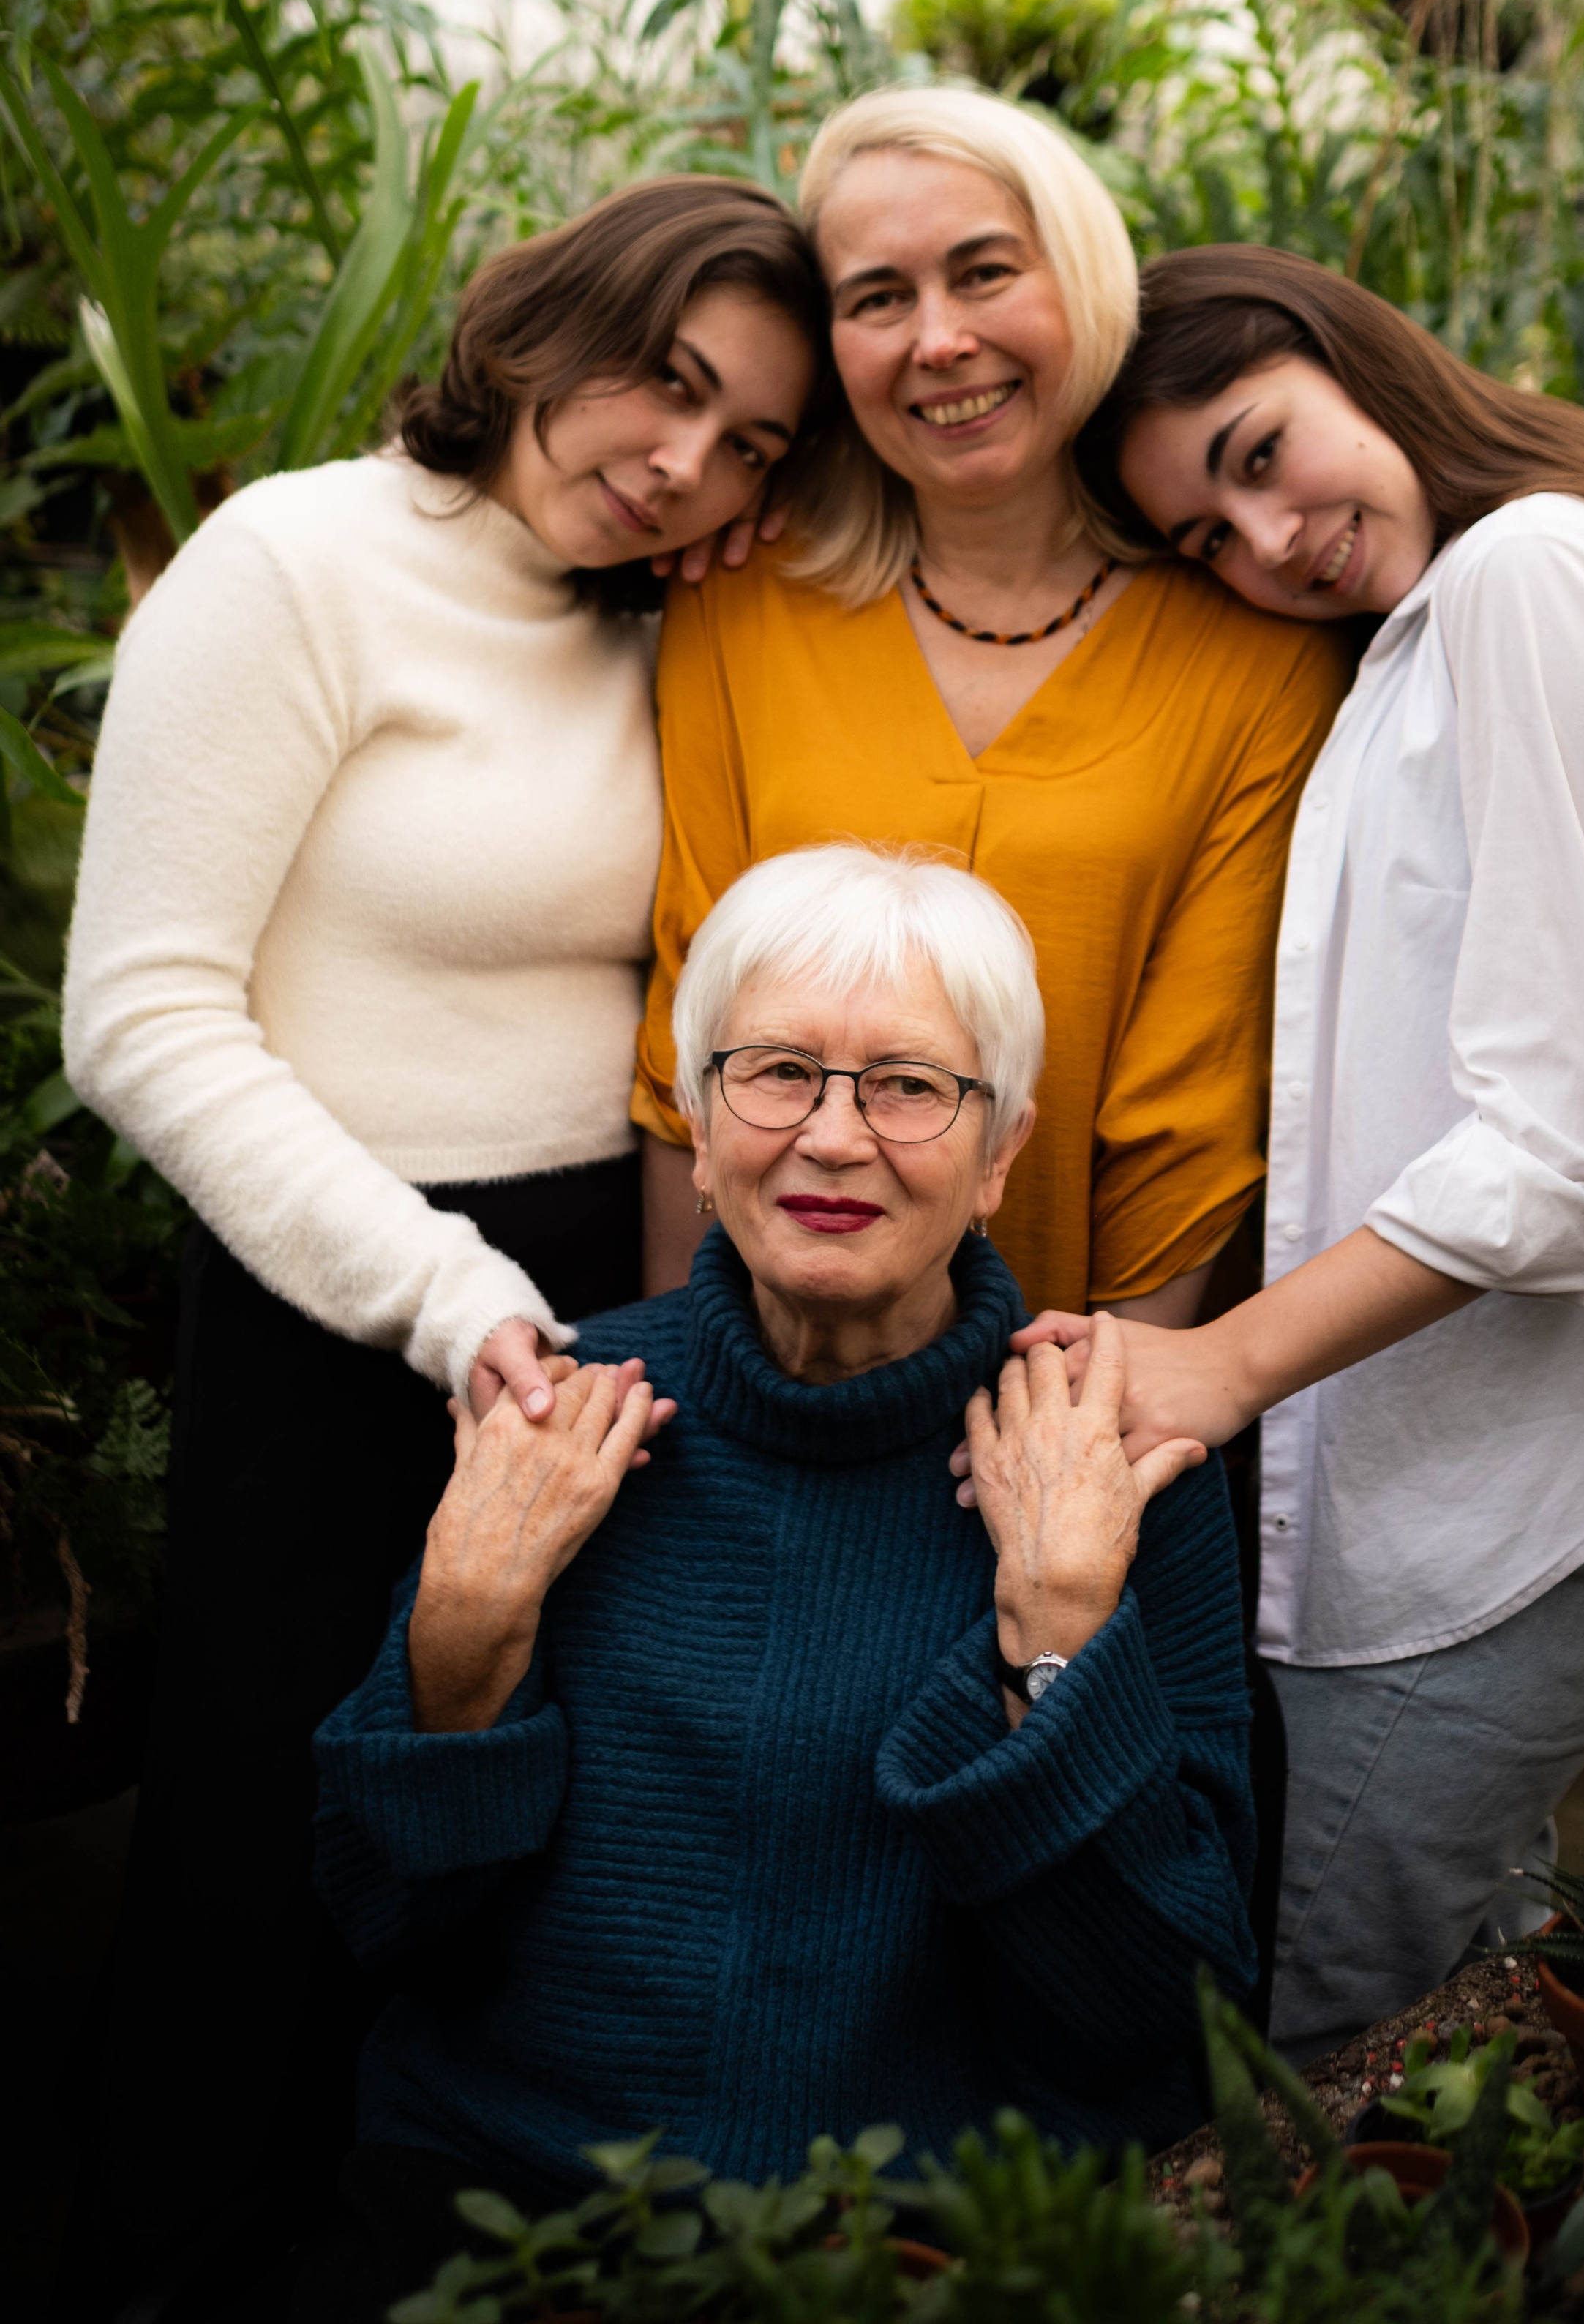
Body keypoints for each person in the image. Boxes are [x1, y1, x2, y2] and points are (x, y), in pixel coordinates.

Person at [57, 178, 826, 2323]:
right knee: (265, 1845)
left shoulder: (661, 613)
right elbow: (139, 1011)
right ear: (545, 318)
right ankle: (171, 2266)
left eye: (756, 437)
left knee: (520, 1855)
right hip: (347, 1293)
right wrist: (442, 1292)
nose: (688, 460)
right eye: (671, 383)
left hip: (606, 1297)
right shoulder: (298, 563)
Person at [1010, 242, 1584, 2065]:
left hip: (1510, 1481)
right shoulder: (1445, 614)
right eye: (1207, 537)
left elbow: (1561, 1147)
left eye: (1255, 452)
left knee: (1333, 2037)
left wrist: (1215, 1367)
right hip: (1460, 1458)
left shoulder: (1528, 578)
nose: (1265, 539)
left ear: (1349, 356)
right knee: (1471, 2004)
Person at [293, 846, 1255, 2324]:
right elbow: (379, 1925)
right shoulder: (564, 1413)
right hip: (522, 2205)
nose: (830, 1136)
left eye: (908, 1087)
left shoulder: (1109, 1464)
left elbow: (1163, 2020)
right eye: (776, 1072)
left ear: (1001, 1150)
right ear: (694, 1117)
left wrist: (1058, 1635)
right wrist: (464, 1633)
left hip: (935, 2241)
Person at [634, 88, 1345, 1324]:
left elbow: (1197, 1101)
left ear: (1082, 276)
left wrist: (1105, 1423)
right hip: (762, 1355)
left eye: (985, 273)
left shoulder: (1254, 644)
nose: (940, 340)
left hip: (1083, 1357)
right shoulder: (744, 596)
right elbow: (685, 1028)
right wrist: (686, 1391)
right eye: (878, 299)